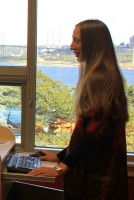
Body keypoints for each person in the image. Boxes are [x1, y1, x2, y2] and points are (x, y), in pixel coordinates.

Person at [28, 19, 129, 199]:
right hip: (94, 171)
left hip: (97, 178)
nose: (71, 46)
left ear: (92, 44)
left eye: (77, 41)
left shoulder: (100, 79)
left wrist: (62, 167)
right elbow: (84, 134)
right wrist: (60, 156)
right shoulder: (102, 74)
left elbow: (95, 137)